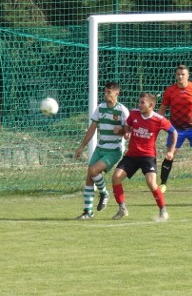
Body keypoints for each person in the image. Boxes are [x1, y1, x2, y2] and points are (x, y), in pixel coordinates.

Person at [110, 92, 177, 222]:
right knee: (116, 177)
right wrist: (126, 132)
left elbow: (173, 132)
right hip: (132, 155)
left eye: (142, 103)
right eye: (139, 102)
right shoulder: (134, 113)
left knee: (151, 182)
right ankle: (122, 208)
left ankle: (163, 211)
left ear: (151, 105)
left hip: (148, 156)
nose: (139, 105)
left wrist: (171, 151)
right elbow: (128, 125)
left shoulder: (158, 119)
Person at [73, 82, 130, 220]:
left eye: (109, 92)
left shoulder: (123, 111)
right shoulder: (100, 108)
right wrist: (82, 146)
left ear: (117, 93)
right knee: (89, 176)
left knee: (93, 171)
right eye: (105, 92)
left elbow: (128, 132)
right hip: (100, 148)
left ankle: (104, 193)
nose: (106, 95)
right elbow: (92, 128)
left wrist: (123, 133)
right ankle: (88, 212)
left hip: (114, 151)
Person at [157, 64, 192, 193]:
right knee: (170, 155)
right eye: (178, 74)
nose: (180, 76)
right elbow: (163, 107)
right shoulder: (170, 90)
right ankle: (163, 184)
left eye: (183, 74)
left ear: (188, 76)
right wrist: (157, 122)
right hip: (176, 129)